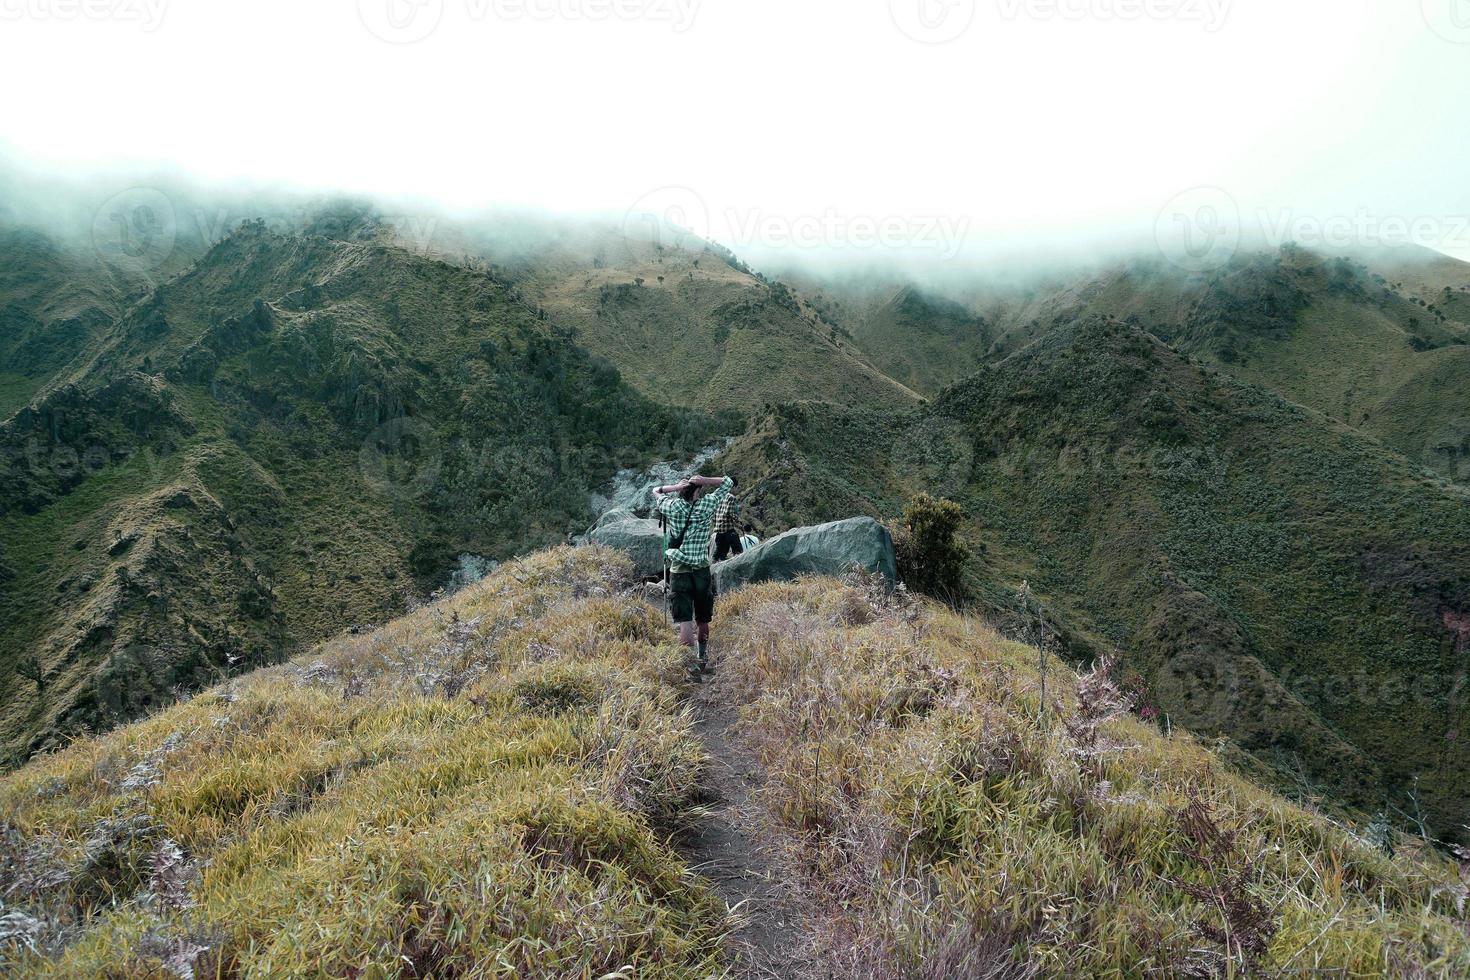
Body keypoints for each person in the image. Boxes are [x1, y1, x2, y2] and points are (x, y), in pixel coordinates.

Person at [653, 473, 734, 681]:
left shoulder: (672, 507)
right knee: (703, 617)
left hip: (679, 570)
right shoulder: (707, 505)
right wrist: (704, 480)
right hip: (701, 569)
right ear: (698, 490)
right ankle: (702, 658)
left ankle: (692, 669)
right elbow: (728, 482)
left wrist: (674, 487)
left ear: (683, 491)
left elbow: (656, 491)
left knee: (685, 621)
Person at [712, 476, 744, 561]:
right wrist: (739, 522)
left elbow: (714, 514)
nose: (737, 490)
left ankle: (713, 567)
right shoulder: (731, 497)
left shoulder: (719, 496)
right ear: (733, 486)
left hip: (718, 529)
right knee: (738, 549)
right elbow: (730, 513)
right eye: (737, 487)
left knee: (720, 553)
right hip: (728, 529)